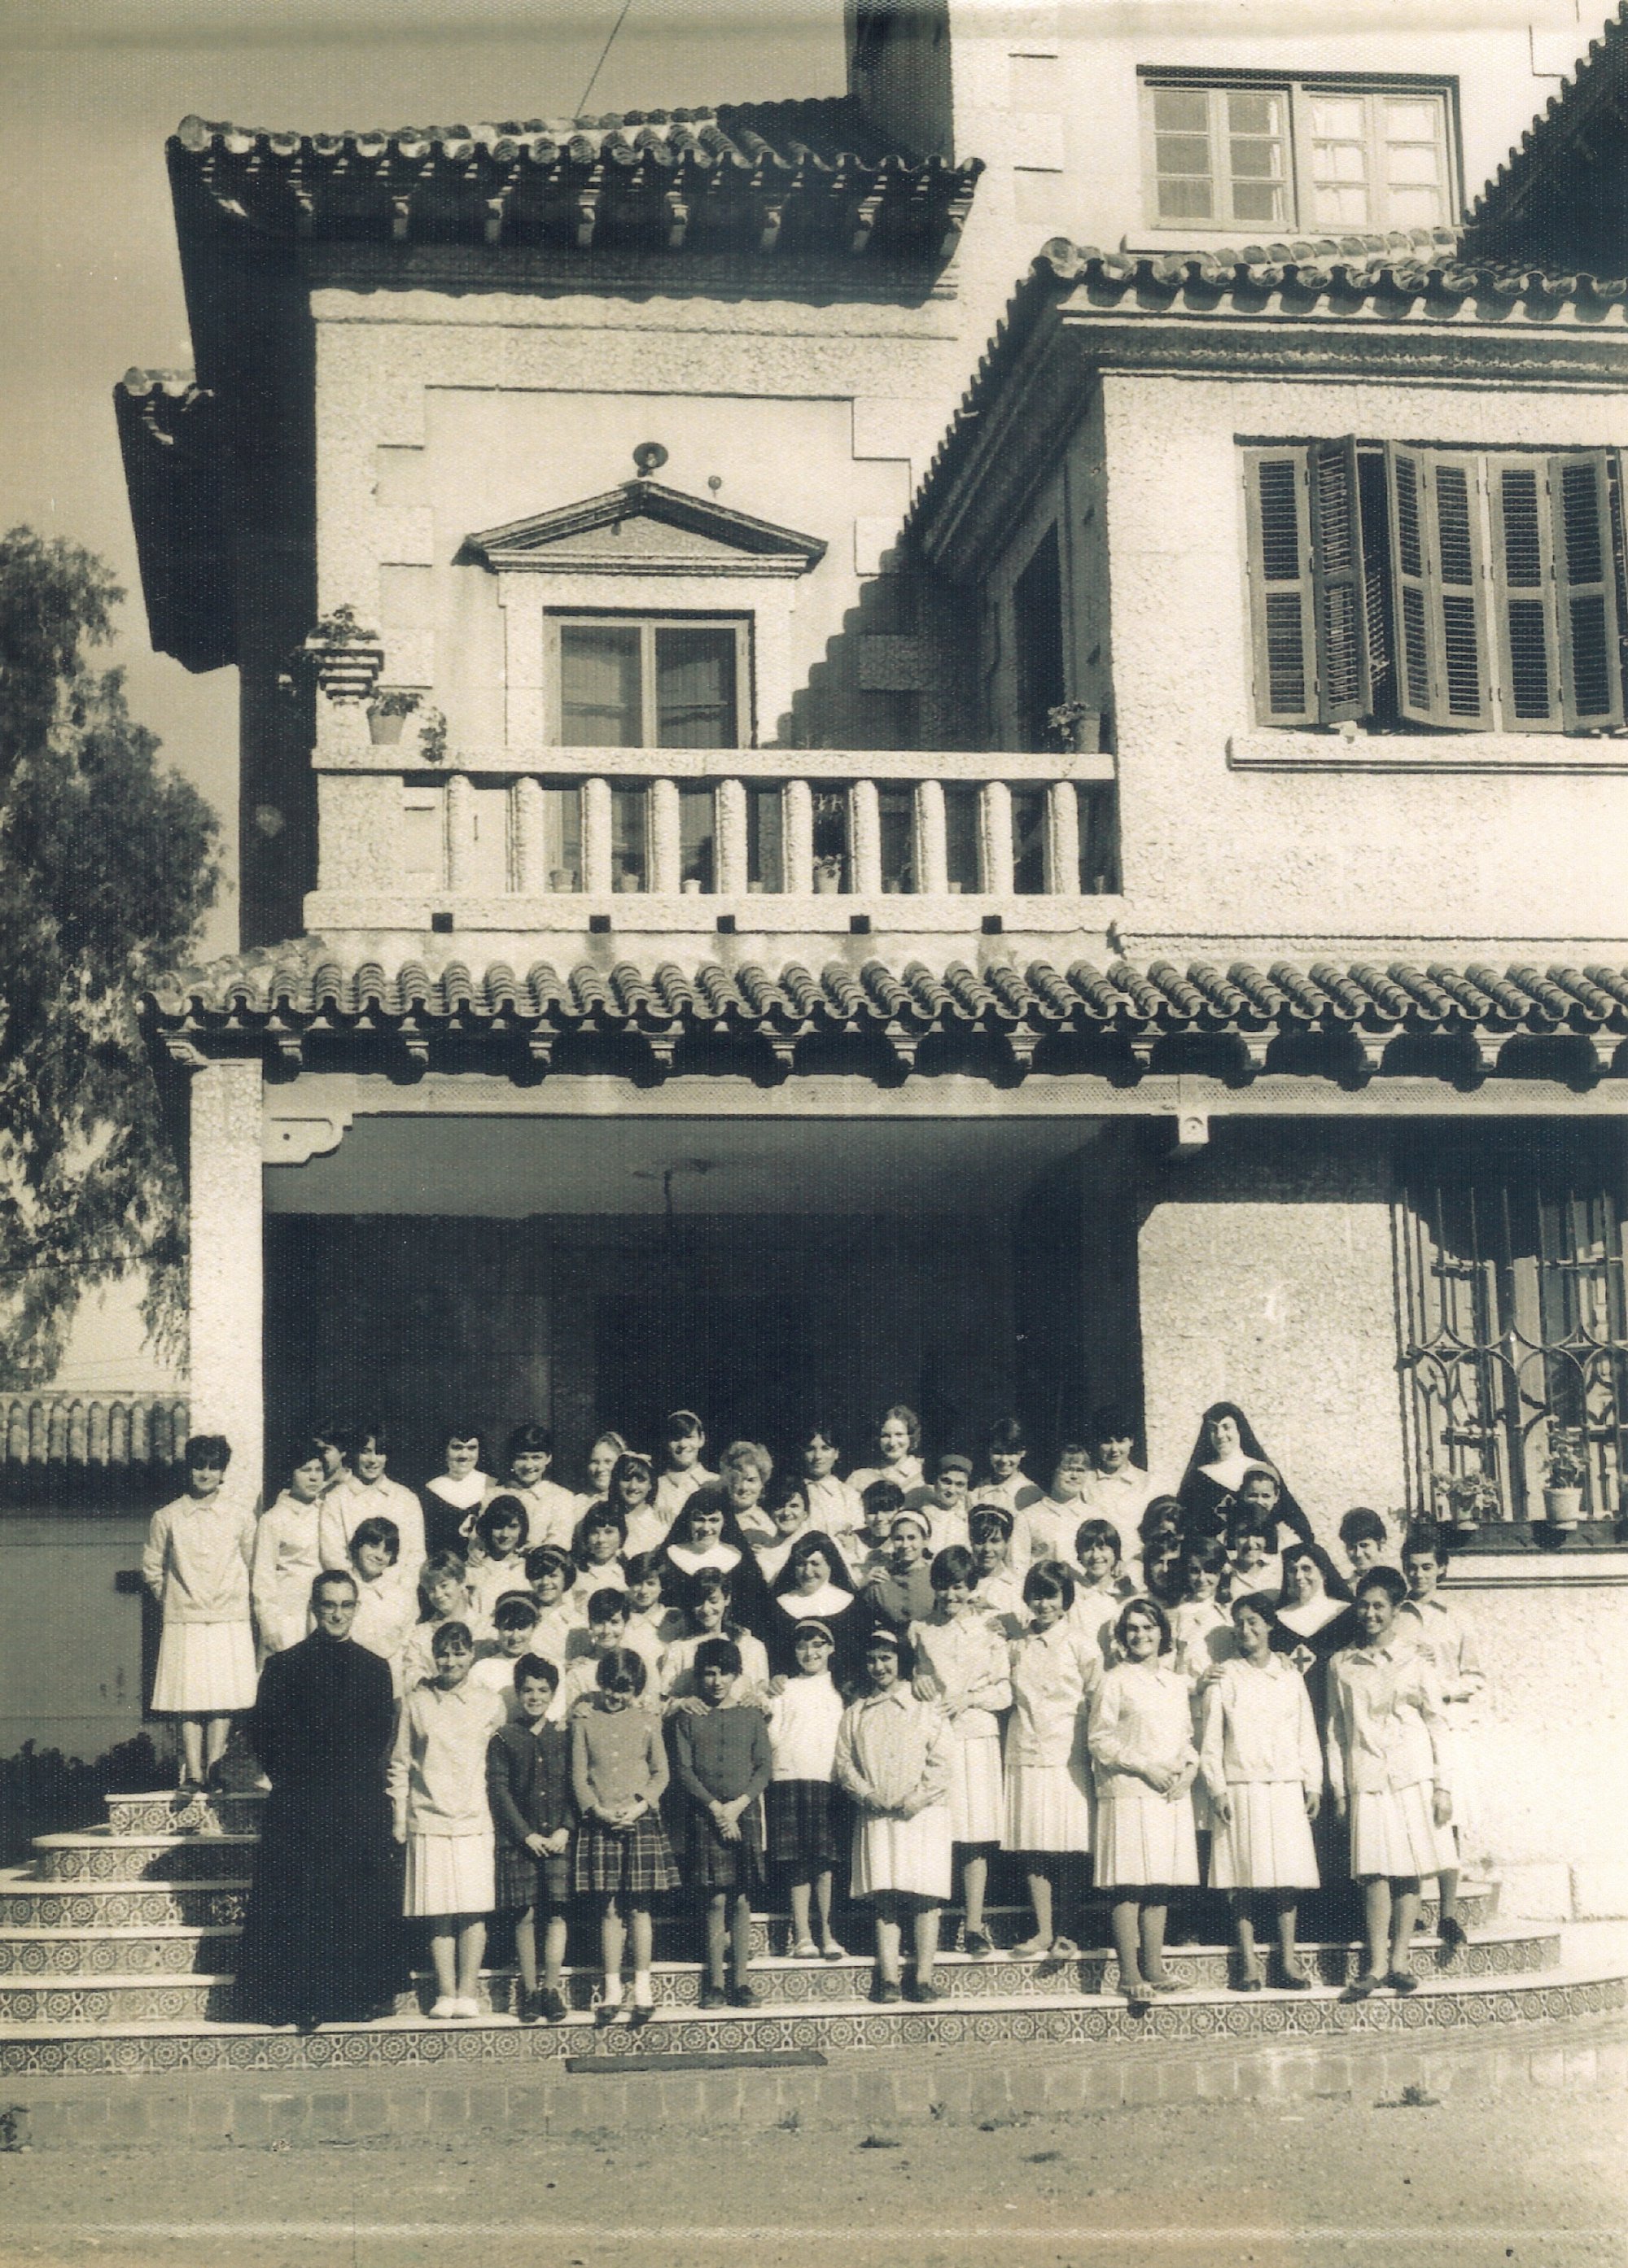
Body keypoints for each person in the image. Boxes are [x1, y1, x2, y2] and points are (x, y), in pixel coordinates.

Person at [234, 1569, 403, 2029]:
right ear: (314, 1606)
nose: (337, 1614)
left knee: (352, 1902)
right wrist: (299, 1785)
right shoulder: (284, 1666)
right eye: (329, 1604)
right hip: (301, 1805)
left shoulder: (375, 1668)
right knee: (302, 1904)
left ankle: (351, 1999)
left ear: (356, 1608)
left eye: (346, 1605)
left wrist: (356, 1793)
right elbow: (265, 1735)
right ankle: (297, 2001)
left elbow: (378, 1738)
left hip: (355, 1805)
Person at [1328, 1566, 1455, 1999]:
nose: (1369, 1614)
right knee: (1375, 1871)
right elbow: (1336, 1731)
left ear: (1395, 1610)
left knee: (1409, 1872)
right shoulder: (1341, 1664)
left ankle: (1400, 1961)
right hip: (1366, 1775)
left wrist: (1444, 1785)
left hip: (1412, 1773)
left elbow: (1438, 1722)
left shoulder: (1415, 1659)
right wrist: (1340, 1790)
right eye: (1363, 1605)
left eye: (1378, 1606)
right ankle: (1376, 1963)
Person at [1201, 1592, 1320, 1991]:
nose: (1246, 1629)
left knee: (1287, 1878)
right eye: (1240, 1622)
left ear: (1269, 1625)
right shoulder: (1225, 1676)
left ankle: (1286, 1960)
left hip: (1284, 1786)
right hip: (1240, 1787)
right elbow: (1212, 1743)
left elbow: (1307, 1734)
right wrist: (1218, 1789)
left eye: (1254, 1620)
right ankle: (1248, 1963)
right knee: (1243, 1877)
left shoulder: (1289, 1676)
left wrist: (1313, 1783)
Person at [1088, 1597, 1200, 2016]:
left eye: (1149, 1628)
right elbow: (1099, 1740)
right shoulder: (1114, 1680)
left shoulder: (1175, 1683)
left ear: (1161, 1634)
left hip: (1169, 1795)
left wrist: (1191, 1768)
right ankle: (1129, 1972)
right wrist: (1145, 1768)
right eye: (1133, 1629)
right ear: (1123, 1635)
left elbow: (1186, 1737)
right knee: (1129, 1883)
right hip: (1128, 1792)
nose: (1141, 1635)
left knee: (1159, 1884)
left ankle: (1154, 1967)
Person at [390, 1619, 505, 2021]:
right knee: (439, 1911)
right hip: (429, 1818)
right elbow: (400, 1764)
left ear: (471, 1655)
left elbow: (500, 1762)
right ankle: (446, 1992)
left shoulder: (491, 1703)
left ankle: (468, 1993)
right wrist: (399, 1819)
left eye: (459, 1652)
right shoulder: (415, 1703)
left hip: (474, 1817)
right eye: (443, 1653)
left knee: (472, 1909)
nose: (451, 1660)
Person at [834, 1625, 954, 2004]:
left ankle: (922, 1977)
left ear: (901, 1661)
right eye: (871, 1659)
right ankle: (887, 1978)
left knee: (924, 1897)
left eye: (886, 1658)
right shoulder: (856, 1712)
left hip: (922, 1815)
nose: (878, 1666)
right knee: (884, 1897)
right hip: (877, 1815)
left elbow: (943, 1761)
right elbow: (844, 1764)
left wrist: (917, 1798)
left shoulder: (925, 1707)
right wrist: (866, 1794)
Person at [908, 1545, 1010, 1957]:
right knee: (935, 1832)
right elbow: (917, 1678)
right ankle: (928, 1924)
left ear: (971, 1588)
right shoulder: (920, 1630)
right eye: (944, 1587)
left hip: (976, 1739)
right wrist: (916, 1678)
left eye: (959, 1587)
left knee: (973, 1837)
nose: (951, 1596)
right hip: (934, 1741)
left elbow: (1004, 1692)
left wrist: (967, 1699)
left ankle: (972, 1924)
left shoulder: (990, 1632)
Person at [143, 1433, 256, 1798]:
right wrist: (175, 1600)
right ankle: (193, 1775)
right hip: (185, 1620)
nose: (205, 1473)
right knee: (188, 1700)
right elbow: (152, 1568)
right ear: (188, 1468)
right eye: (199, 1465)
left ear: (223, 1471)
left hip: (229, 1618)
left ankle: (216, 1771)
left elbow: (254, 1562)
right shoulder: (167, 1516)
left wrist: (235, 1597)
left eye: (213, 1466)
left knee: (222, 1699)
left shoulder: (240, 1516)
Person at [571, 1648, 681, 2025]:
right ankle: (613, 1987)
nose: (617, 1697)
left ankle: (643, 1986)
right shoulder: (584, 1719)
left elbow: (661, 1773)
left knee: (639, 1908)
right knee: (610, 1909)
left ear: (636, 1689)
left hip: (640, 1819)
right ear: (600, 1682)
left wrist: (639, 1807)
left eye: (626, 1691)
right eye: (611, 1688)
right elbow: (578, 1776)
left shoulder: (649, 1718)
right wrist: (597, 1811)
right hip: (600, 1821)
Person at [1003, 1561, 1100, 1959]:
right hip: (1026, 1751)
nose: (1043, 1604)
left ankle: (1068, 1931)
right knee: (1035, 1846)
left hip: (1068, 1756)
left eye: (1052, 1595)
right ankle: (1043, 1931)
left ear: (1065, 1600)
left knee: (1069, 1846)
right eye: (1037, 1595)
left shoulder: (1081, 1644)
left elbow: (1096, 1697)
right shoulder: (1016, 1645)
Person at [673, 1637, 773, 2009]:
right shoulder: (689, 1716)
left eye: (724, 1673)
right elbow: (683, 1769)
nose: (716, 1681)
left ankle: (742, 1982)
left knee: (742, 1899)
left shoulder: (750, 1714)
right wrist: (717, 1808)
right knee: (715, 1898)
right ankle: (715, 1983)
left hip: (744, 1811)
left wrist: (737, 1807)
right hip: (706, 1814)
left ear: (736, 1675)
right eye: (709, 1674)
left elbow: (764, 1766)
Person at [1400, 1521, 1484, 1951]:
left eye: (1427, 1567)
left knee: (1446, 1817)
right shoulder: (1396, 1617)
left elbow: (1476, 1678)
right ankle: (1412, 1910)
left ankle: (1448, 1914)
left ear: (1442, 1570)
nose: (1419, 1575)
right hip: (1409, 1728)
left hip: (1447, 1724)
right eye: (1412, 1568)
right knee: (1413, 1814)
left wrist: (1443, 1684)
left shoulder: (1458, 1620)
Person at [486, 1653, 575, 2024]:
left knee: (555, 1913)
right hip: (519, 1843)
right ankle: (530, 1990)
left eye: (542, 1690)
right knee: (525, 1915)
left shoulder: (565, 1737)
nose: (534, 1697)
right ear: (518, 1693)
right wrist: (525, 1835)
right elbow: (499, 1790)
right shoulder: (505, 1737)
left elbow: (576, 1786)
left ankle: (552, 1989)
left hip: (556, 1840)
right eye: (527, 1690)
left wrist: (565, 1828)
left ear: (553, 1693)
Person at [765, 1619, 848, 1962]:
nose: (810, 1652)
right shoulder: (784, 1689)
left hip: (827, 1780)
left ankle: (827, 1933)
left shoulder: (840, 1688)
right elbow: (772, 1735)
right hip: (789, 1778)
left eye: (817, 1644)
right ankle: (802, 1935)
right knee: (797, 1861)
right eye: (802, 1646)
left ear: (830, 1648)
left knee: (824, 1860)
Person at [1177, 1405, 1312, 1550]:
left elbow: (1293, 1520)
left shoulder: (1263, 1472)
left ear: (1239, 1429)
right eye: (1213, 1429)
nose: (1220, 1435)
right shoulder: (1198, 1478)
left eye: (1226, 1427)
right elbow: (1184, 1526)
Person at [318, 1422, 426, 1583]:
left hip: (397, 1594)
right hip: (353, 1595)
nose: (373, 1460)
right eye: (366, 1452)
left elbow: (416, 1556)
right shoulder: (336, 1499)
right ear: (355, 1454)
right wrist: (359, 1589)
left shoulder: (407, 1499)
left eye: (380, 1453)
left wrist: (391, 1587)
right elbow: (332, 1556)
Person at [252, 1441, 329, 1659]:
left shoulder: (330, 1510)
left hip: (325, 1609)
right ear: (291, 1474)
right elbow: (262, 1578)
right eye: (306, 1470)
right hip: (289, 1614)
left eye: (319, 1470)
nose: (314, 1477)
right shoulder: (273, 1520)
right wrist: (270, 1626)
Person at [659, 1569, 771, 1712]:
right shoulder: (679, 1649)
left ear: (727, 1599)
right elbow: (663, 1702)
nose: (706, 1609)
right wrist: (682, 1703)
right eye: (698, 1602)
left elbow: (766, 1698)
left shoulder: (751, 1647)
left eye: (713, 1601)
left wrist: (758, 1700)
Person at [767, 1532, 860, 1685]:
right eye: (801, 1564)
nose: (807, 1572)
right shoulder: (778, 1606)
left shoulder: (852, 1605)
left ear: (830, 1564)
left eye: (815, 1564)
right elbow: (772, 1658)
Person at [1074, 1405, 1164, 1566]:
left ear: (1131, 1441)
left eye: (1121, 1441)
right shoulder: (1084, 1484)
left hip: (1142, 1571)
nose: (1114, 1449)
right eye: (1107, 1442)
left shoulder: (1151, 1484)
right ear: (1096, 1442)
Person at [347, 1515, 418, 1694]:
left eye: (387, 1551)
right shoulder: (337, 1588)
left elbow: (405, 1647)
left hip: (387, 1687)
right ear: (358, 1545)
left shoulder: (401, 1597)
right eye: (373, 1545)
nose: (379, 1555)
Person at [491, 1423, 577, 1554]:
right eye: (522, 1458)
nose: (529, 1465)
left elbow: (560, 1541)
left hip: (540, 1567)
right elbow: (480, 1534)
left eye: (536, 1457)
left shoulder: (561, 1497)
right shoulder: (494, 1494)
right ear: (512, 1459)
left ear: (548, 1458)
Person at [400, 1550, 480, 1691]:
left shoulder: (483, 1626)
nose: (438, 1595)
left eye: (444, 1586)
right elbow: (412, 1673)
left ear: (461, 1582)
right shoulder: (420, 1634)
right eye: (431, 1589)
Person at [974, 1416, 1043, 1569]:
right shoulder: (977, 1492)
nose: (1004, 1460)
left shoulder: (1032, 1494)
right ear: (989, 1451)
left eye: (1011, 1453)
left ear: (1023, 1452)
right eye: (998, 1452)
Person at [859, 1506, 937, 1635]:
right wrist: (864, 1583)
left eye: (912, 1538)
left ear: (925, 1540)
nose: (905, 1545)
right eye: (899, 1539)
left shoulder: (937, 1577)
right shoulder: (880, 1579)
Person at [422, 1427, 495, 1562]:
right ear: (445, 1450)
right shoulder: (429, 1492)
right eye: (457, 1447)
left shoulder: (493, 1486)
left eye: (472, 1448)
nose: (464, 1455)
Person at [1069, 1517, 1136, 1663]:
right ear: (1079, 1555)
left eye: (1102, 1548)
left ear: (1115, 1552)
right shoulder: (1073, 1593)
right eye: (1088, 1549)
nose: (1095, 1556)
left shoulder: (1127, 1593)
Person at [470, 1590, 543, 1718]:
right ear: (497, 1628)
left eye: (522, 1628)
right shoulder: (481, 1669)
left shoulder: (549, 1664)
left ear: (534, 1626)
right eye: (508, 1628)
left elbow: (556, 1715)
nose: (515, 1637)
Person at [1025, 1444, 1096, 1569]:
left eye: (1080, 1470)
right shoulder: (1028, 1517)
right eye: (1067, 1469)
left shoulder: (1095, 1516)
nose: (1074, 1476)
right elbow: (1018, 1567)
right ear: (1053, 1471)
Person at [796, 1422, 863, 1552]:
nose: (817, 1456)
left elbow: (858, 1535)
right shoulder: (793, 1492)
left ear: (836, 1453)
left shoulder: (849, 1495)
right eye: (810, 1449)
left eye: (825, 1448)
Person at [465, 1495, 531, 1626]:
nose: (505, 1534)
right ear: (488, 1528)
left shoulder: (529, 1568)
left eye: (513, 1526)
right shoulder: (473, 1569)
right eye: (499, 1526)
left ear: (522, 1529)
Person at [967, 1505, 1026, 1638]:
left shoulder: (1018, 1587)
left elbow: (1026, 1634)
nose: (987, 1549)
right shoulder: (962, 1583)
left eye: (995, 1541)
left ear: (1007, 1543)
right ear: (971, 1541)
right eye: (980, 1541)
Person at [847, 1405, 926, 1500]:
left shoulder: (923, 1473)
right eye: (886, 1436)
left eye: (899, 1434)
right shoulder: (860, 1477)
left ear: (911, 1437)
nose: (892, 1443)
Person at [653, 1411, 717, 1524]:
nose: (683, 1444)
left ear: (701, 1439)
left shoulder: (717, 1482)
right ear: (666, 1443)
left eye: (689, 1437)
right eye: (676, 1438)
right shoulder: (655, 1486)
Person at [751, 1477, 816, 1587]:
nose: (786, 1513)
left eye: (794, 1506)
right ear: (770, 1512)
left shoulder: (818, 1545)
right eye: (779, 1506)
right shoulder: (761, 1553)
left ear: (806, 1512)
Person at [841, 1479, 907, 1584]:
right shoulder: (850, 1542)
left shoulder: (906, 1543)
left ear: (900, 1510)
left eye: (886, 1510)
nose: (879, 1517)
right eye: (872, 1511)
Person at [523, 1545, 579, 1666]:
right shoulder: (522, 1615)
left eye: (553, 1576)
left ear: (566, 1577)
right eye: (537, 1576)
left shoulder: (576, 1622)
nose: (545, 1582)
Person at [909, 1454, 975, 1554]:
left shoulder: (968, 1519)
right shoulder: (920, 1517)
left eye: (960, 1484)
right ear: (935, 1481)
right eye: (946, 1482)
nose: (951, 1490)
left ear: (966, 1488)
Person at [717, 1440, 777, 1546]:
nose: (744, 1487)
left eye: (751, 1480)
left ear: (762, 1483)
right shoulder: (715, 1516)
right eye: (736, 1480)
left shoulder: (768, 1525)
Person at [572, 1431, 629, 1519]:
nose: (600, 1469)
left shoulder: (632, 1501)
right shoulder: (577, 1504)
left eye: (608, 1461)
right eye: (595, 1462)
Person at [1338, 1506, 1393, 1581]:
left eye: (1364, 1545)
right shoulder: (1344, 1590)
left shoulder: (1398, 1584)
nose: (1358, 1554)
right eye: (1351, 1547)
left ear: (1381, 1543)